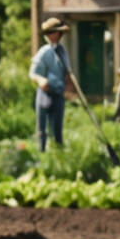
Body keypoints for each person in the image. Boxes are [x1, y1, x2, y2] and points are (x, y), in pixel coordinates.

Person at [29, 16, 70, 150]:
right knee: (42, 129)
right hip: (45, 95)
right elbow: (32, 73)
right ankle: (41, 156)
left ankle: (59, 156)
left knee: (57, 129)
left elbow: (67, 72)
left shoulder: (62, 51)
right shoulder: (44, 52)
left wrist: (70, 87)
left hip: (58, 95)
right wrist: (41, 80)